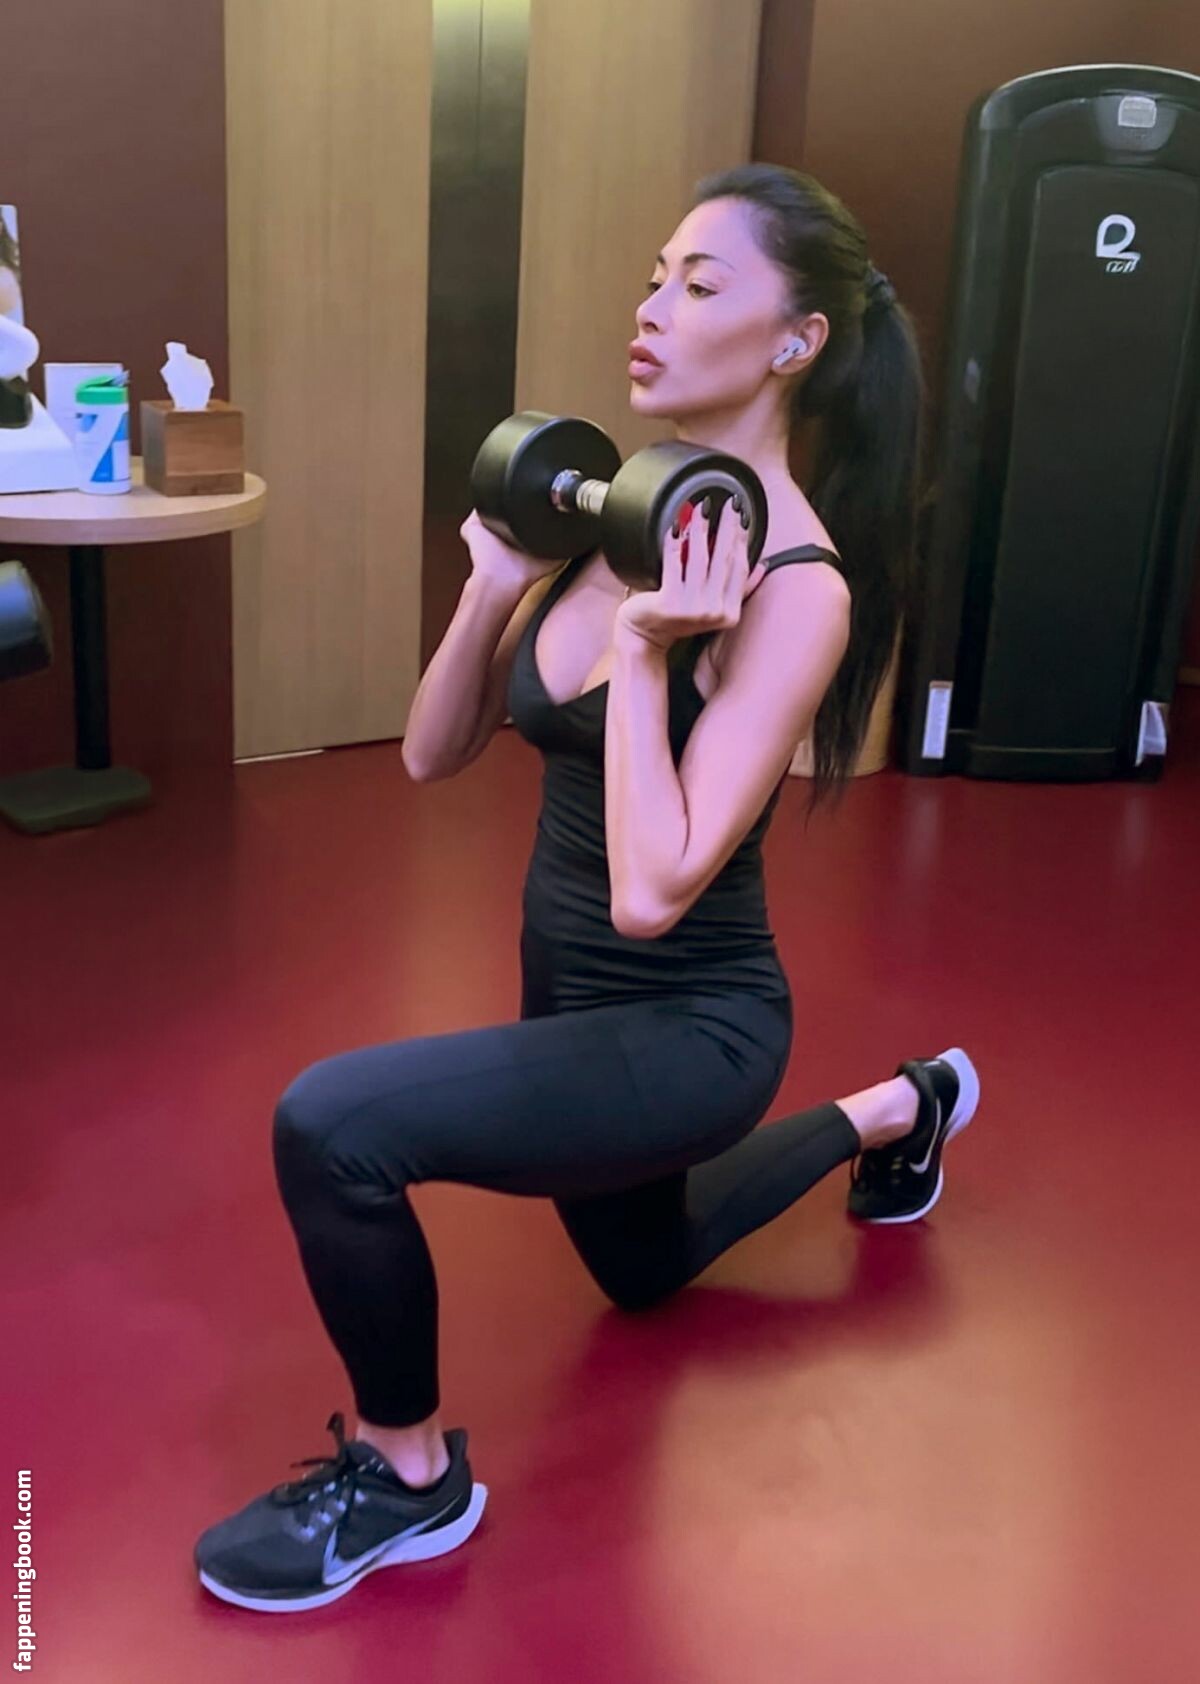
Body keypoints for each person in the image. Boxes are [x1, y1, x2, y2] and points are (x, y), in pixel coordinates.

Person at [194, 163, 980, 1614]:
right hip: (568, 1011)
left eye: (701, 283)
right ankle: (899, 1108)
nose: (652, 308)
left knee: (334, 1127)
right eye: (653, 276)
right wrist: (496, 585)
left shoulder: (795, 586)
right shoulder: (620, 517)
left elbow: (653, 892)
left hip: (691, 1030)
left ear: (796, 340)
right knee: (646, 1264)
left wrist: (642, 652)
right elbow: (432, 755)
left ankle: (408, 1480)